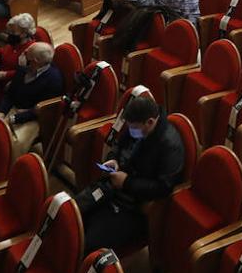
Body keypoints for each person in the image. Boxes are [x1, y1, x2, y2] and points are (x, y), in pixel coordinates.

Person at [78, 94, 186, 251]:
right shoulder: (137, 126)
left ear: (150, 122)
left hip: (133, 206)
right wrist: (113, 158)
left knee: (89, 244)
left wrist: (126, 182)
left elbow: (163, 187)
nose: (130, 131)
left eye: (133, 128)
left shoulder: (170, 145)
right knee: (71, 217)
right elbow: (118, 145)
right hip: (111, 188)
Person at [0, 42, 62, 157]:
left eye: (26, 53)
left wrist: (13, 119)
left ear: (35, 61)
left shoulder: (54, 80)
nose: (23, 55)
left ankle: (7, 171)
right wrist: (1, 112)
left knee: (13, 144)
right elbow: (10, 93)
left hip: (33, 118)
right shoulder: (24, 68)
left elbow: (40, 110)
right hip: (14, 108)